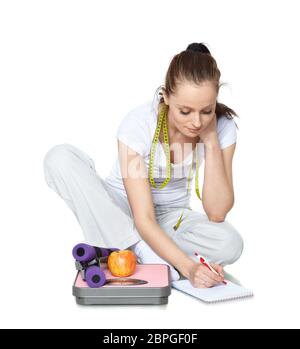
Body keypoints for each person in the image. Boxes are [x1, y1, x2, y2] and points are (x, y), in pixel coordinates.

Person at [43, 42, 243, 288]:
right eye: (185, 111)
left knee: (230, 243)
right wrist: (189, 267)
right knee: (59, 158)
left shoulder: (221, 127)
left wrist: (211, 140)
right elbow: (143, 218)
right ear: (166, 96)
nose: (196, 122)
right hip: (121, 208)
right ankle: (145, 251)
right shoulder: (139, 125)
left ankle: (125, 251)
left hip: (172, 219)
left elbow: (217, 212)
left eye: (206, 110)